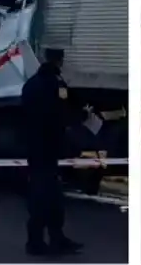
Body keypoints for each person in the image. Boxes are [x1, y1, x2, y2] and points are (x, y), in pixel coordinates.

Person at [21, 48, 85, 256]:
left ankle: (50, 238)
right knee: (48, 196)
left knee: (44, 194)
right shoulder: (56, 84)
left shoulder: (31, 84)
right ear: (60, 61)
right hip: (49, 148)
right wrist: (83, 116)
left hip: (34, 148)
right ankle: (40, 242)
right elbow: (64, 111)